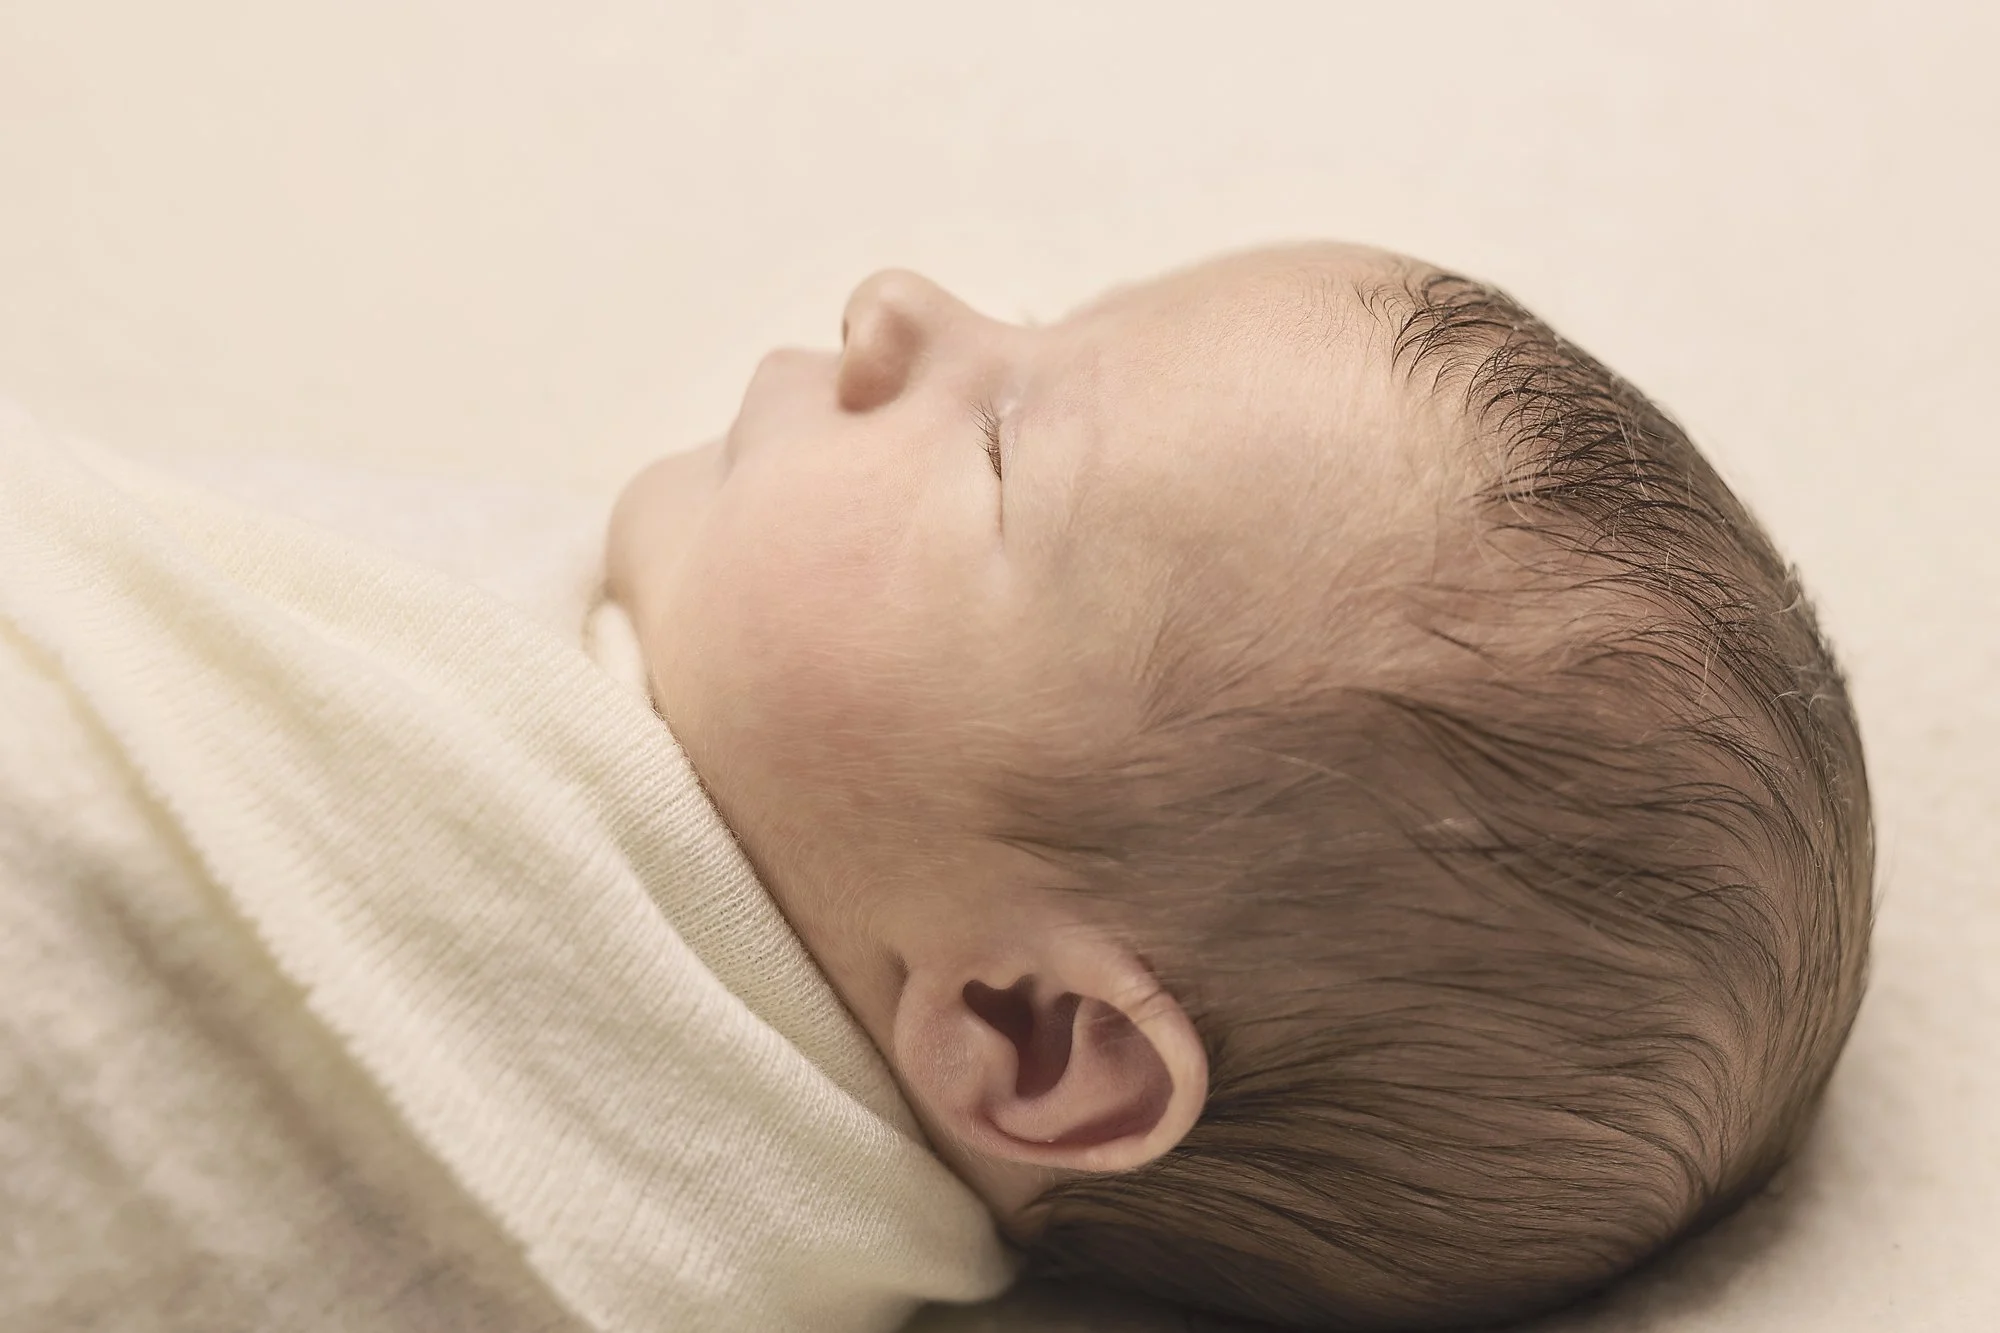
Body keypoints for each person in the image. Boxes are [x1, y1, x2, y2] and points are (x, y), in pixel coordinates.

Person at [602, 242, 1874, 1329]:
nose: (895, 304)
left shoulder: (586, 1141)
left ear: (1033, 1031)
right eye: (1040, 325)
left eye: (996, 451)